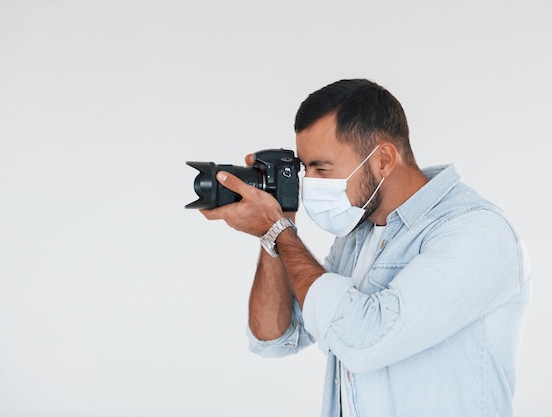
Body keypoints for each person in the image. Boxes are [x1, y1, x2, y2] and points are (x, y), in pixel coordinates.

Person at [201, 79, 532, 417]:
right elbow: (274, 337)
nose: (309, 183)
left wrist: (278, 230)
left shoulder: (476, 231)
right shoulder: (356, 235)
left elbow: (365, 341)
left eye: (322, 167)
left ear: (384, 159)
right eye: (304, 168)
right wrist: (274, 224)